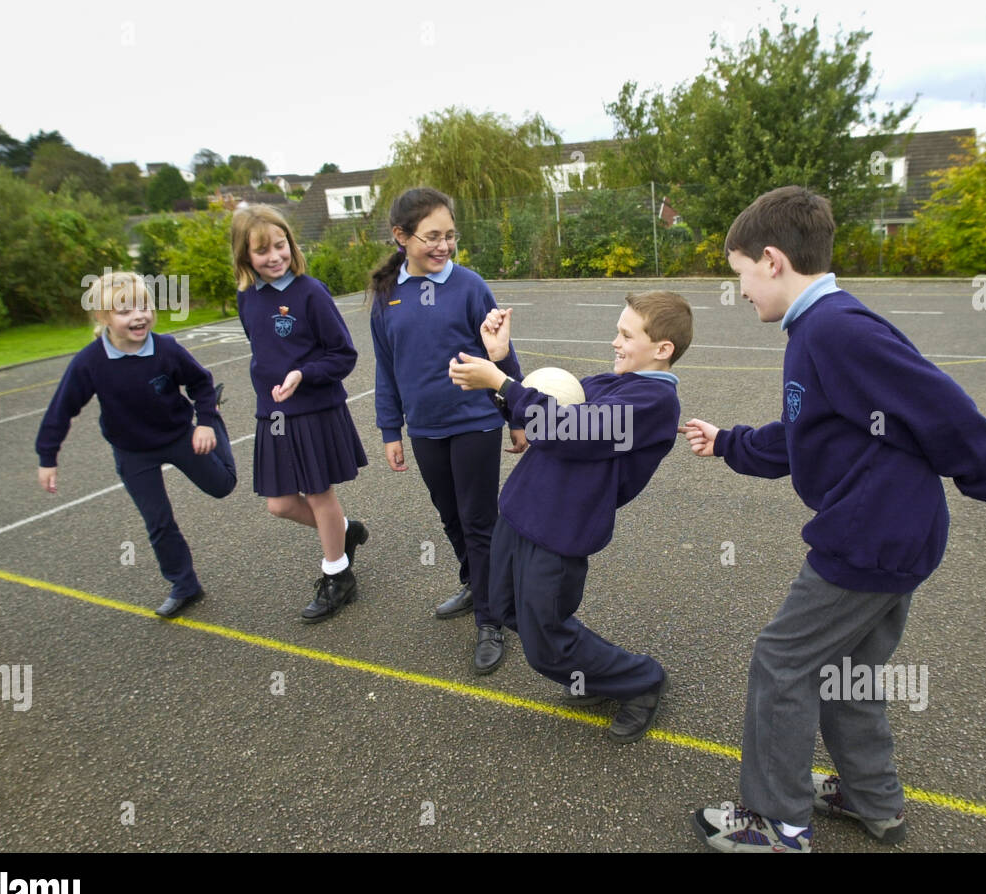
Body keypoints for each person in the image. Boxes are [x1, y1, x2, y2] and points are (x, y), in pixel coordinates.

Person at [682, 185, 986, 853]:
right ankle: (875, 802)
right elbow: (804, 433)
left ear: (771, 260)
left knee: (782, 662)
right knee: (842, 671)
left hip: (869, 539)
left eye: (739, 277)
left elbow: (941, 406)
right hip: (895, 534)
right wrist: (728, 441)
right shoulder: (816, 330)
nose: (740, 294)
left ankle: (778, 823)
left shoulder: (837, 329)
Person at [447, 290, 693, 742]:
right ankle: (591, 673)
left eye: (626, 334)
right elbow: (543, 414)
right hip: (520, 512)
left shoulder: (654, 404)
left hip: (560, 531)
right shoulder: (608, 381)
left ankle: (642, 681)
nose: (615, 342)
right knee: (504, 608)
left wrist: (500, 383)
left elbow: (570, 431)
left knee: (545, 647)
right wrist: (502, 363)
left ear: (662, 349)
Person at [370, 187, 526, 674]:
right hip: (426, 429)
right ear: (401, 237)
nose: (443, 246)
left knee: (480, 521)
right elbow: (386, 366)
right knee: (450, 517)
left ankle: (491, 618)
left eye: (450, 236)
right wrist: (389, 429)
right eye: (431, 236)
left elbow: (502, 353)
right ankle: (475, 584)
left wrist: (518, 415)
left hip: (475, 421)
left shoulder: (470, 286)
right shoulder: (386, 295)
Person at [35, 270, 237, 618]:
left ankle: (216, 419)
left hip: (177, 434)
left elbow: (200, 383)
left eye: (143, 306)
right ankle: (184, 585)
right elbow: (61, 408)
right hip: (132, 450)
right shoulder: (90, 362)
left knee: (223, 486)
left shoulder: (167, 350)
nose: (139, 315)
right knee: (158, 521)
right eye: (125, 311)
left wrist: (204, 421)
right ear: (103, 318)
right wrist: (47, 457)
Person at [232, 205, 369, 621]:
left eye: (280, 246)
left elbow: (343, 355)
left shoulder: (311, 292)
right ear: (244, 256)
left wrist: (302, 374)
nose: (274, 256)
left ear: (291, 244)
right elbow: (263, 352)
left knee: (319, 494)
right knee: (278, 504)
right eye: (262, 251)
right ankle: (345, 532)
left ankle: (338, 576)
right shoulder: (246, 298)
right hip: (271, 414)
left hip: (313, 409)